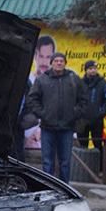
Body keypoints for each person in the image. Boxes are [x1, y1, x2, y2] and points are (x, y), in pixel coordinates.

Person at [27, 52, 88, 183]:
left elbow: (83, 99)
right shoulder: (42, 79)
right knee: (47, 162)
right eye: (56, 61)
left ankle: (65, 189)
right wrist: (42, 114)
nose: (59, 63)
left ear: (65, 63)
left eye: (61, 61)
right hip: (47, 127)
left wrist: (74, 113)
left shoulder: (73, 79)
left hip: (67, 127)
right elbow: (32, 99)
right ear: (52, 63)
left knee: (65, 162)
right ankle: (47, 188)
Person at [76, 60, 106, 170]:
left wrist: (101, 113)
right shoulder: (80, 83)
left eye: (94, 68)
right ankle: (83, 170)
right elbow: (74, 100)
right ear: (86, 70)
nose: (93, 70)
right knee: (82, 145)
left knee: (98, 144)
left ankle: (100, 169)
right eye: (90, 68)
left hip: (97, 120)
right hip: (81, 120)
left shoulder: (103, 84)